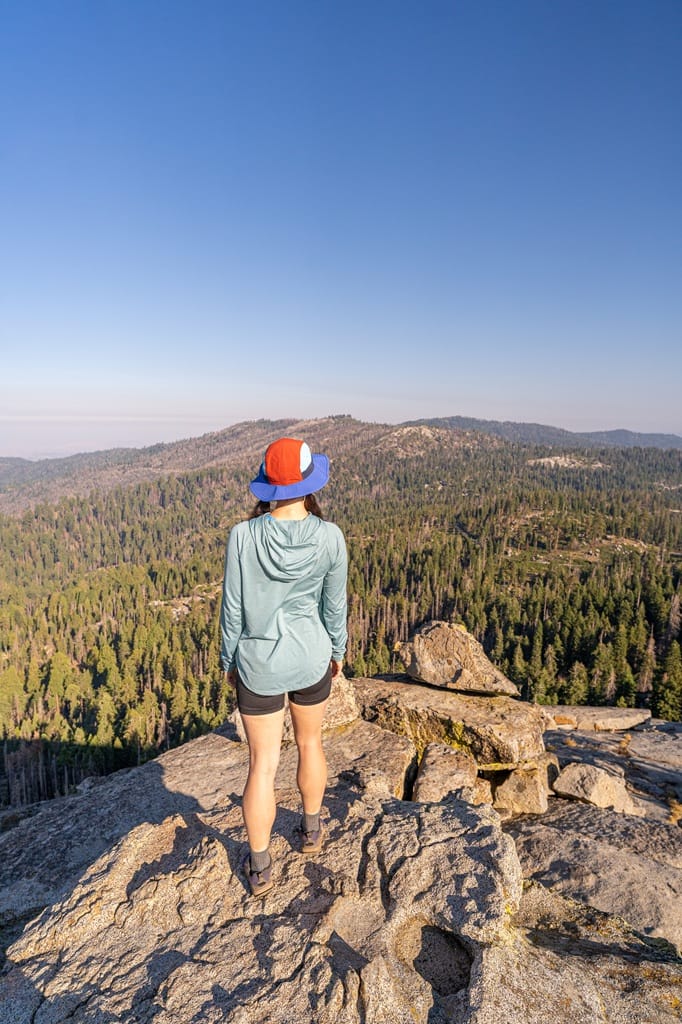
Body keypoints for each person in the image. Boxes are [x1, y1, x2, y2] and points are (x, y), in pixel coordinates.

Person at [220, 436, 348, 897]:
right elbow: (335, 606)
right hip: (311, 658)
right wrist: (338, 650)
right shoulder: (330, 537)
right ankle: (311, 832)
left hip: (258, 665)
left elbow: (232, 609)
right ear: (310, 482)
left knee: (262, 765)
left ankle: (259, 868)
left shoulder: (243, 537)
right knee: (311, 743)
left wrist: (229, 659)